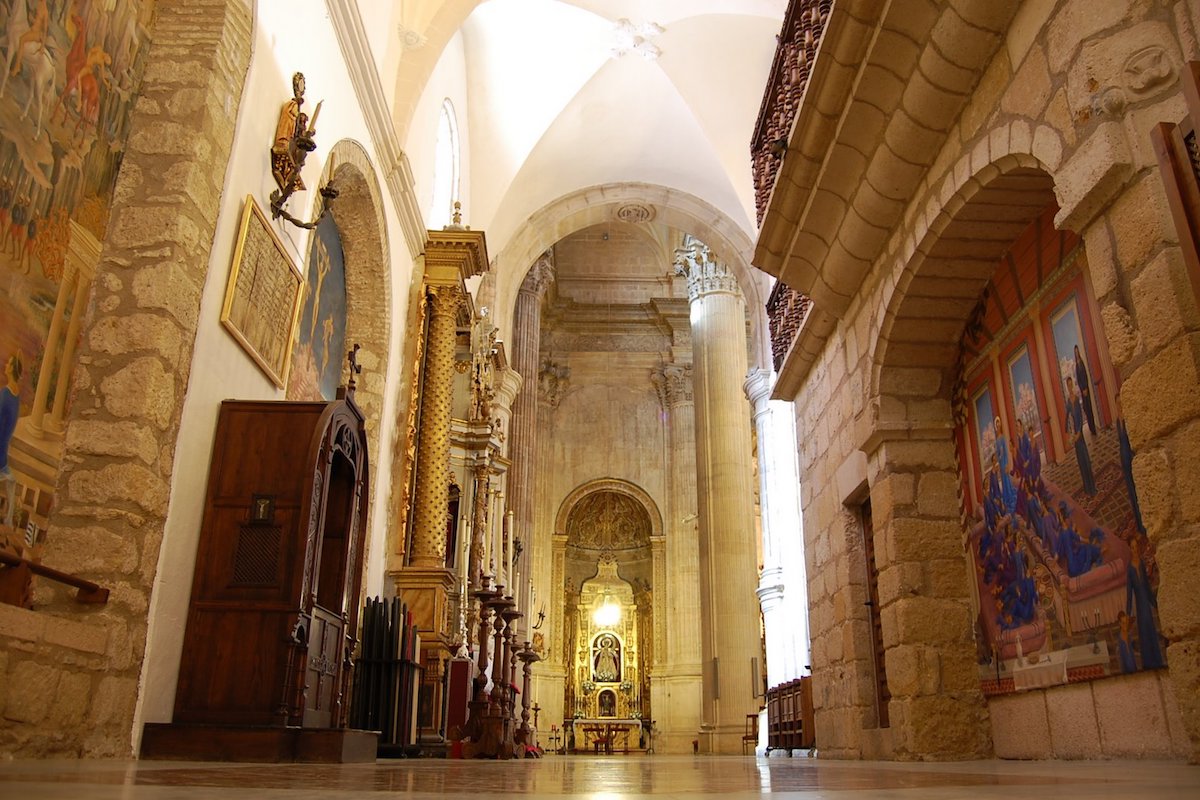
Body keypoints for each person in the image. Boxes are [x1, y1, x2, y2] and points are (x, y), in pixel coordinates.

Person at [1126, 537, 1164, 670]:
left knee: (1151, 628)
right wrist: (1127, 612)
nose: (1135, 550)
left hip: (1146, 603)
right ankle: (1148, 661)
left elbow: (1147, 586)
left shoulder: (1141, 564)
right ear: (1130, 550)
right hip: (1140, 605)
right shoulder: (1130, 569)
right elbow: (1129, 593)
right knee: (1143, 630)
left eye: (1136, 547)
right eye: (1132, 548)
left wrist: (1154, 602)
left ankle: (1156, 660)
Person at [0, 354, 23, 530]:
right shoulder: (16, 393)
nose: (5, 365)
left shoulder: (6, 393)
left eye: (8, 363)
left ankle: (8, 519)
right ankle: (8, 519)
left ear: (12, 369)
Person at [1065, 377, 1096, 496]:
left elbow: (1080, 418)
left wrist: (1078, 432)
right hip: (1075, 437)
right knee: (1081, 463)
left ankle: (1092, 487)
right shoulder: (1068, 402)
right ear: (1066, 387)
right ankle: (1087, 489)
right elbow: (1066, 419)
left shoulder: (1077, 399)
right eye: (1067, 385)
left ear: (1072, 385)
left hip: (1080, 436)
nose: (1069, 387)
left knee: (1086, 461)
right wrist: (1069, 435)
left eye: (1070, 384)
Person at [1074, 345, 1097, 435]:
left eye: (1077, 351)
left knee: (1090, 408)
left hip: (1086, 389)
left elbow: (1085, 376)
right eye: (1075, 352)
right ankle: (1091, 428)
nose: (1076, 353)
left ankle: (1093, 428)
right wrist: (1082, 390)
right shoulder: (1076, 365)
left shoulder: (1082, 363)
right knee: (1086, 409)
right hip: (1083, 391)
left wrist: (1086, 388)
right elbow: (1079, 380)